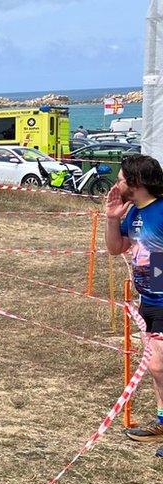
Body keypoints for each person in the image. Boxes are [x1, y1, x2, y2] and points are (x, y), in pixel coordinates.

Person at [105, 155, 163, 457]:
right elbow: (116, 249)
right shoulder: (133, 213)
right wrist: (112, 217)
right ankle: (162, 423)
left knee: (157, 364)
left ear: (137, 183)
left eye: (121, 179)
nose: (117, 184)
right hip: (148, 301)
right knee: (156, 368)